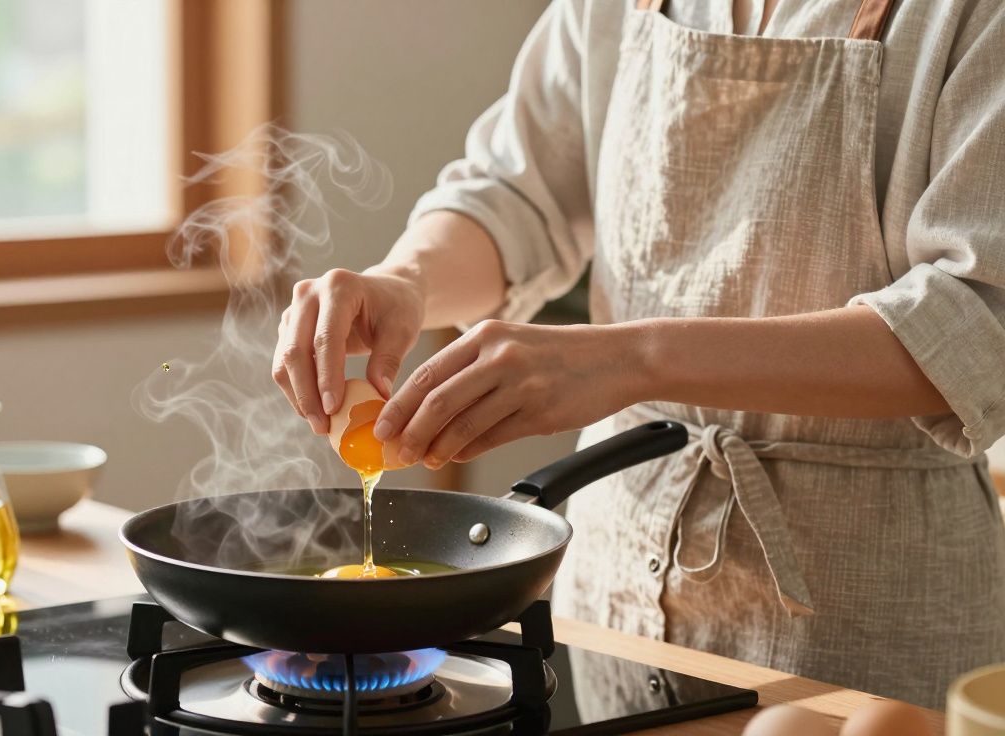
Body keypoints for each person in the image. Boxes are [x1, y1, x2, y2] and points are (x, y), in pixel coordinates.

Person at [272, 0, 1005, 709]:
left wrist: (635, 358)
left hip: (872, 606)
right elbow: (517, 192)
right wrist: (409, 279)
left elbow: (977, 320)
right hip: (616, 594)